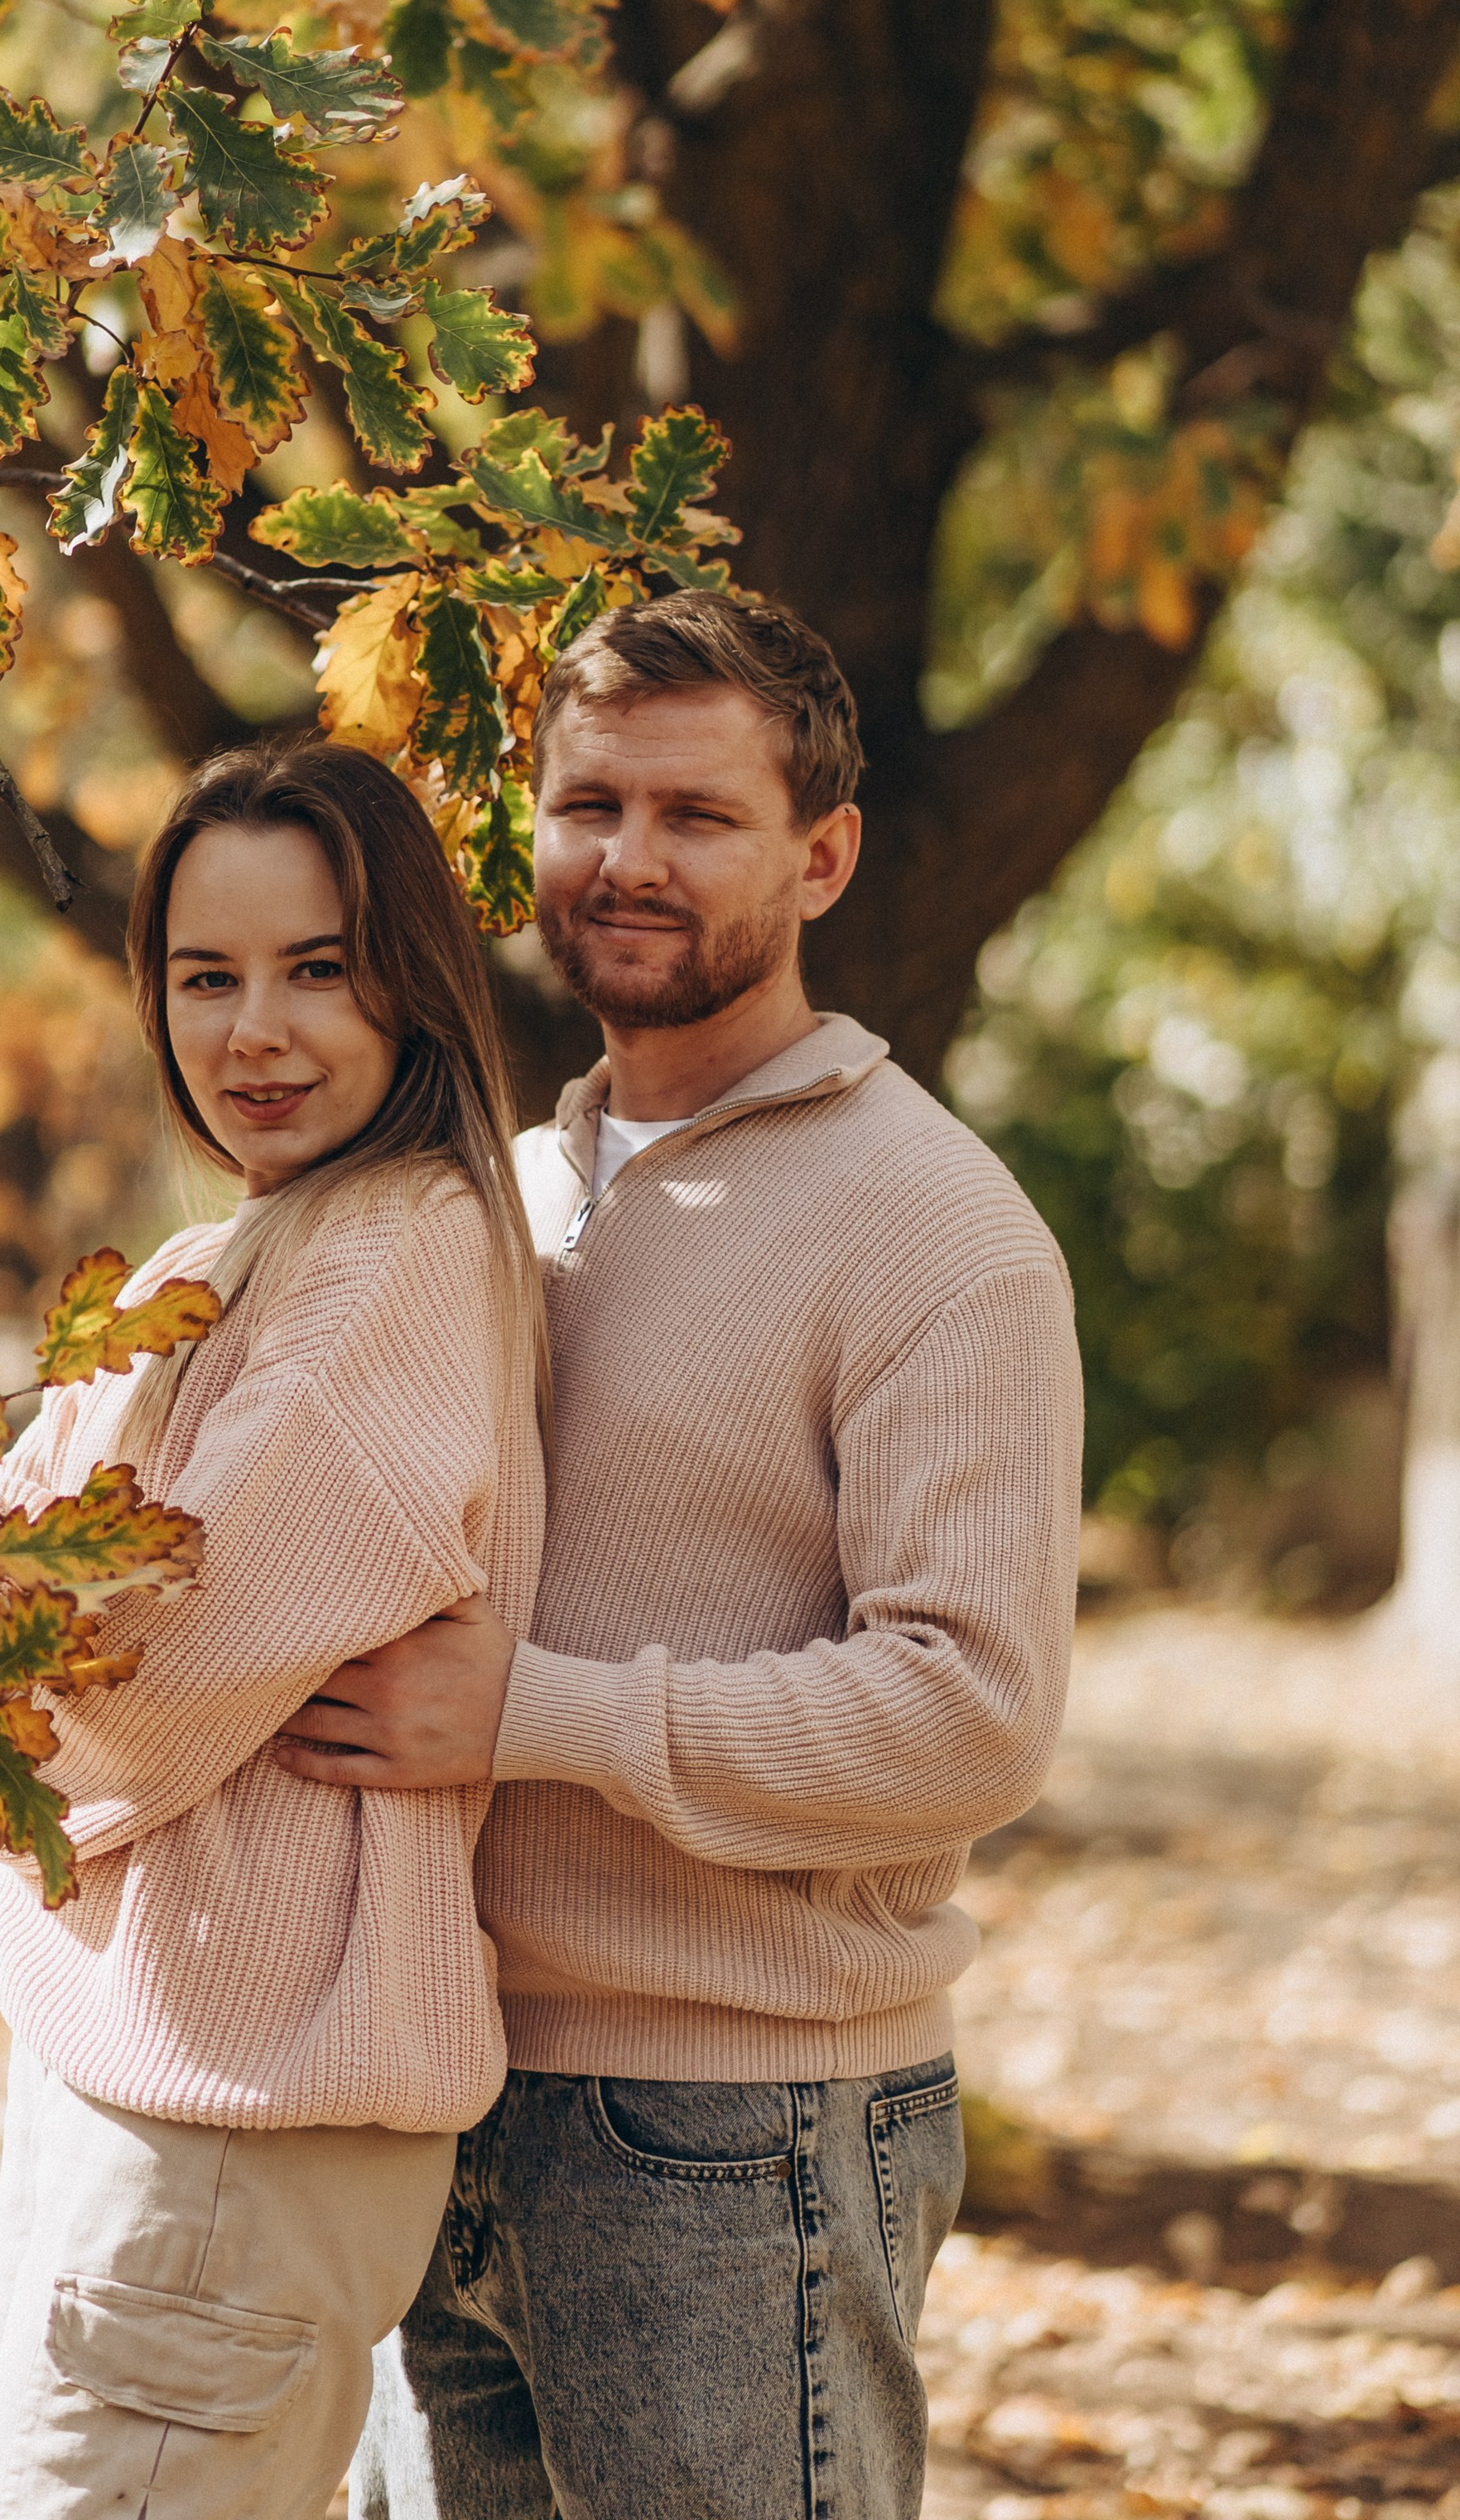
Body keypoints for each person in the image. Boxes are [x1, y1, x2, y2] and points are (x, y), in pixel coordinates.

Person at [273, 593, 1086, 2520]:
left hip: (739, 2127)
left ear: (824, 857)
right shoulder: (499, 1189)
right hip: (429, 2088)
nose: (628, 860)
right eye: (590, 806)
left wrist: (534, 1716)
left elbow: (974, 1716)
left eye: (698, 816)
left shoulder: (938, 1231)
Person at [0, 739, 544, 2520]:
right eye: (206, 976)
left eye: (320, 969)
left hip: (235, 2124)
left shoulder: (394, 1261)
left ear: (414, 982)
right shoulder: (214, 1268)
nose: (257, 1032)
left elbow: (127, 1688)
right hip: (144, 2077)